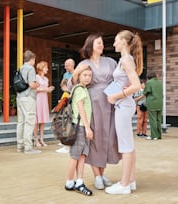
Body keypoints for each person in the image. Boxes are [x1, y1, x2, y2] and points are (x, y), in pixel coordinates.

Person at [69, 33, 120, 190]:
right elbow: (72, 86)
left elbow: (119, 80)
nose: (101, 45)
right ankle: (97, 175)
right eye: (98, 43)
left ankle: (102, 172)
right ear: (90, 45)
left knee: (109, 138)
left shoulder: (111, 62)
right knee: (94, 138)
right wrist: (77, 73)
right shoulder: (83, 63)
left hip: (109, 103)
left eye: (102, 43)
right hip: (91, 104)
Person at [105, 30, 143, 195]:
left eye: (116, 40)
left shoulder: (126, 60)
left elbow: (136, 86)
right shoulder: (126, 60)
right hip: (124, 105)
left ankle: (125, 184)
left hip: (123, 105)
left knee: (126, 147)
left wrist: (115, 96)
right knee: (129, 146)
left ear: (123, 42)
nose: (114, 44)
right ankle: (131, 181)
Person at [65, 66, 93, 196]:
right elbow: (80, 108)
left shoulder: (83, 89)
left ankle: (79, 181)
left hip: (82, 126)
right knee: (75, 156)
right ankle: (70, 182)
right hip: (80, 127)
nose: (88, 77)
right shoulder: (80, 89)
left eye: (89, 75)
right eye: (85, 75)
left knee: (82, 156)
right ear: (79, 76)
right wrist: (87, 128)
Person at [16, 50, 41, 154]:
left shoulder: (20, 68)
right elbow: (31, 84)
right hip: (28, 97)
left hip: (20, 97)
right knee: (29, 121)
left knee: (21, 122)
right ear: (32, 59)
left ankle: (20, 145)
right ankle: (28, 147)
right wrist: (37, 84)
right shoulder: (30, 69)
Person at [56, 58, 75, 154]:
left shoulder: (76, 74)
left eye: (67, 65)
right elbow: (62, 85)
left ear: (72, 65)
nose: (65, 67)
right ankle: (66, 140)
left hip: (74, 99)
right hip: (67, 98)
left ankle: (69, 143)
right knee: (65, 119)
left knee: (70, 120)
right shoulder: (65, 74)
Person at [34, 61, 54, 147]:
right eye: (46, 67)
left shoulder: (46, 79)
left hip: (44, 100)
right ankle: (35, 139)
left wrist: (49, 89)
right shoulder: (36, 77)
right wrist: (45, 89)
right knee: (36, 121)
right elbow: (34, 90)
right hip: (37, 99)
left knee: (42, 121)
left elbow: (45, 89)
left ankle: (42, 138)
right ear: (41, 68)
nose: (47, 69)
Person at [143, 70, 163, 140]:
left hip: (152, 103)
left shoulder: (149, 82)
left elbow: (145, 92)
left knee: (153, 120)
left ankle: (154, 136)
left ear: (148, 76)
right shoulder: (159, 82)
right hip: (160, 103)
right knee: (158, 120)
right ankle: (159, 135)